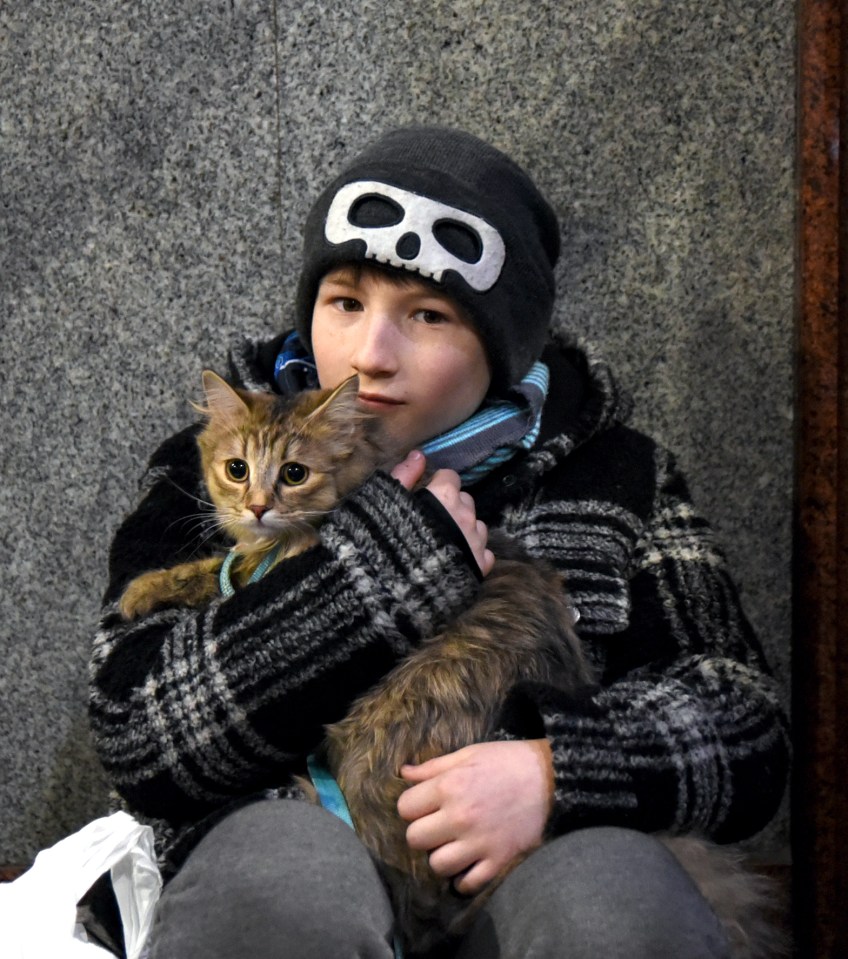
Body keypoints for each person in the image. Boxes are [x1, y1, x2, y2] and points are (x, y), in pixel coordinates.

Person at [89, 127, 789, 958]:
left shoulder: (614, 471)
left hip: (524, 867)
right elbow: (136, 731)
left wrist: (562, 769)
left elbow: (746, 726)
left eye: (426, 314)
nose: (371, 356)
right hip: (288, 844)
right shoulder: (219, 457)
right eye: (344, 303)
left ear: (502, 344)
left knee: (614, 893)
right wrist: (374, 582)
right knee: (275, 885)